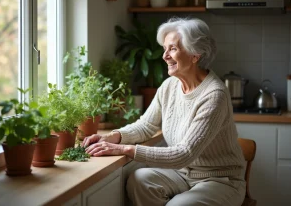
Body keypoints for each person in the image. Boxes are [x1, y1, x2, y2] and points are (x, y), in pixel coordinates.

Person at [82, 17, 246, 206]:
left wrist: (125, 149)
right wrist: (112, 137)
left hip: (220, 181)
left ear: (195, 55)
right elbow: (146, 125)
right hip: (183, 175)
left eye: (173, 49)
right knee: (139, 180)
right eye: (165, 49)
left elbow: (185, 153)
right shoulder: (170, 86)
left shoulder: (214, 95)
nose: (165, 56)